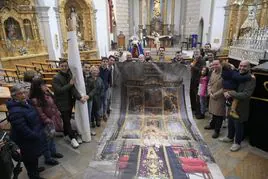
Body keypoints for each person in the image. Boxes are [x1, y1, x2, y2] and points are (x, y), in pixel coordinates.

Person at [6, 83, 46, 179]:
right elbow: (23, 130)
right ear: (14, 96)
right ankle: (33, 175)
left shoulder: (26, 102)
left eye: (24, 92)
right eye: (20, 94)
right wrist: (35, 135)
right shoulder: (15, 111)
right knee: (29, 159)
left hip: (33, 137)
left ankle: (35, 170)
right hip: (26, 141)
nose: (24, 95)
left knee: (34, 157)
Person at [220, 60, 256, 152]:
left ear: (249, 67)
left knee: (238, 124)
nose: (242, 68)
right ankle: (229, 137)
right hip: (231, 102)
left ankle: (237, 143)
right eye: (240, 65)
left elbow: (246, 94)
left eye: (244, 66)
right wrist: (225, 92)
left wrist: (230, 93)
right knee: (231, 121)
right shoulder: (237, 73)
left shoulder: (251, 78)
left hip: (241, 105)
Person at [52, 60, 88, 148]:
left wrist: (80, 97)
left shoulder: (69, 75)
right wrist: (70, 84)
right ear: (59, 66)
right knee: (67, 121)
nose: (64, 67)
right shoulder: (56, 78)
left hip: (69, 102)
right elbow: (59, 90)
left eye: (65, 66)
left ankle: (65, 133)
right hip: (61, 102)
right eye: (62, 66)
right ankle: (72, 138)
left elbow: (73, 89)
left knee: (66, 119)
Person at [30, 78, 64, 166]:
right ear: (38, 87)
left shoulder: (45, 93)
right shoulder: (35, 99)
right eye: (43, 85)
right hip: (45, 123)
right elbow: (40, 113)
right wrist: (47, 121)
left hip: (52, 118)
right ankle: (48, 158)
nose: (45, 86)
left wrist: (57, 111)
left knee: (52, 137)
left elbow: (53, 103)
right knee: (46, 140)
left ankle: (53, 152)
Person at [204, 60, 226, 138]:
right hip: (212, 96)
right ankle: (212, 125)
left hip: (219, 97)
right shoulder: (213, 72)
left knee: (219, 114)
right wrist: (210, 92)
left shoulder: (224, 73)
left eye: (216, 64)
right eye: (213, 65)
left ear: (220, 64)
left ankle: (217, 130)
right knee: (213, 112)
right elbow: (209, 83)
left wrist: (215, 95)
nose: (214, 66)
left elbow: (225, 87)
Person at [82, 62, 96, 136]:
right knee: (82, 115)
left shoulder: (91, 77)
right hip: (81, 99)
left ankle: (88, 130)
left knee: (88, 115)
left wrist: (89, 96)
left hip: (89, 99)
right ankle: (82, 130)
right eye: (85, 67)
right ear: (82, 67)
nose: (87, 69)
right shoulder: (80, 76)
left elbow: (94, 89)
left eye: (88, 67)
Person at [190, 50, 205, 116]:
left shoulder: (202, 60)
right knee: (192, 95)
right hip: (192, 80)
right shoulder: (194, 60)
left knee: (198, 97)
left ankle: (198, 112)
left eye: (197, 53)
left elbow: (202, 71)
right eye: (194, 53)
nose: (195, 54)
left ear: (200, 53)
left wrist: (193, 67)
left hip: (198, 81)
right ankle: (193, 108)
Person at [99, 57, 112, 122]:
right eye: (103, 61)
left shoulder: (108, 71)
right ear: (101, 62)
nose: (105, 63)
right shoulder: (98, 70)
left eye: (106, 61)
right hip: (98, 90)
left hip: (105, 89)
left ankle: (104, 114)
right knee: (99, 103)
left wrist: (108, 86)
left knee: (105, 102)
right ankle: (99, 115)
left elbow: (109, 80)